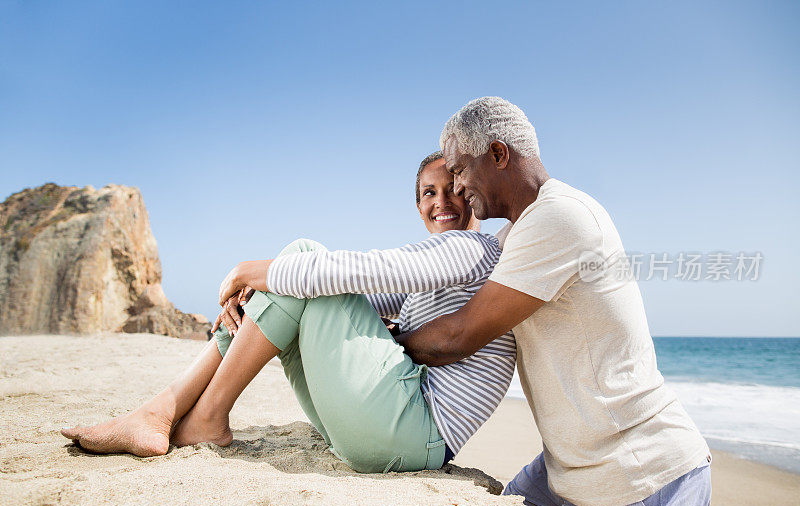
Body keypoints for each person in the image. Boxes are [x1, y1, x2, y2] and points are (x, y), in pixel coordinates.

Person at [61, 151, 516, 473]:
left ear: (471, 196)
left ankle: (196, 416)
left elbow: (375, 269)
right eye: (428, 193)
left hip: (415, 431)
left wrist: (251, 270)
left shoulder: (471, 249)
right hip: (383, 432)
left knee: (304, 260)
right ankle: (164, 411)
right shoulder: (438, 270)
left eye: (453, 189)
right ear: (417, 206)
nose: (441, 202)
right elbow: (354, 306)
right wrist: (257, 301)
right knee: (301, 280)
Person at [396, 97, 711, 506]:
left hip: (633, 476)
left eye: (461, 170)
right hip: (566, 466)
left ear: (498, 154)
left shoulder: (559, 218)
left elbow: (459, 337)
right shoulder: (516, 232)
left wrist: (385, 343)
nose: (459, 186)